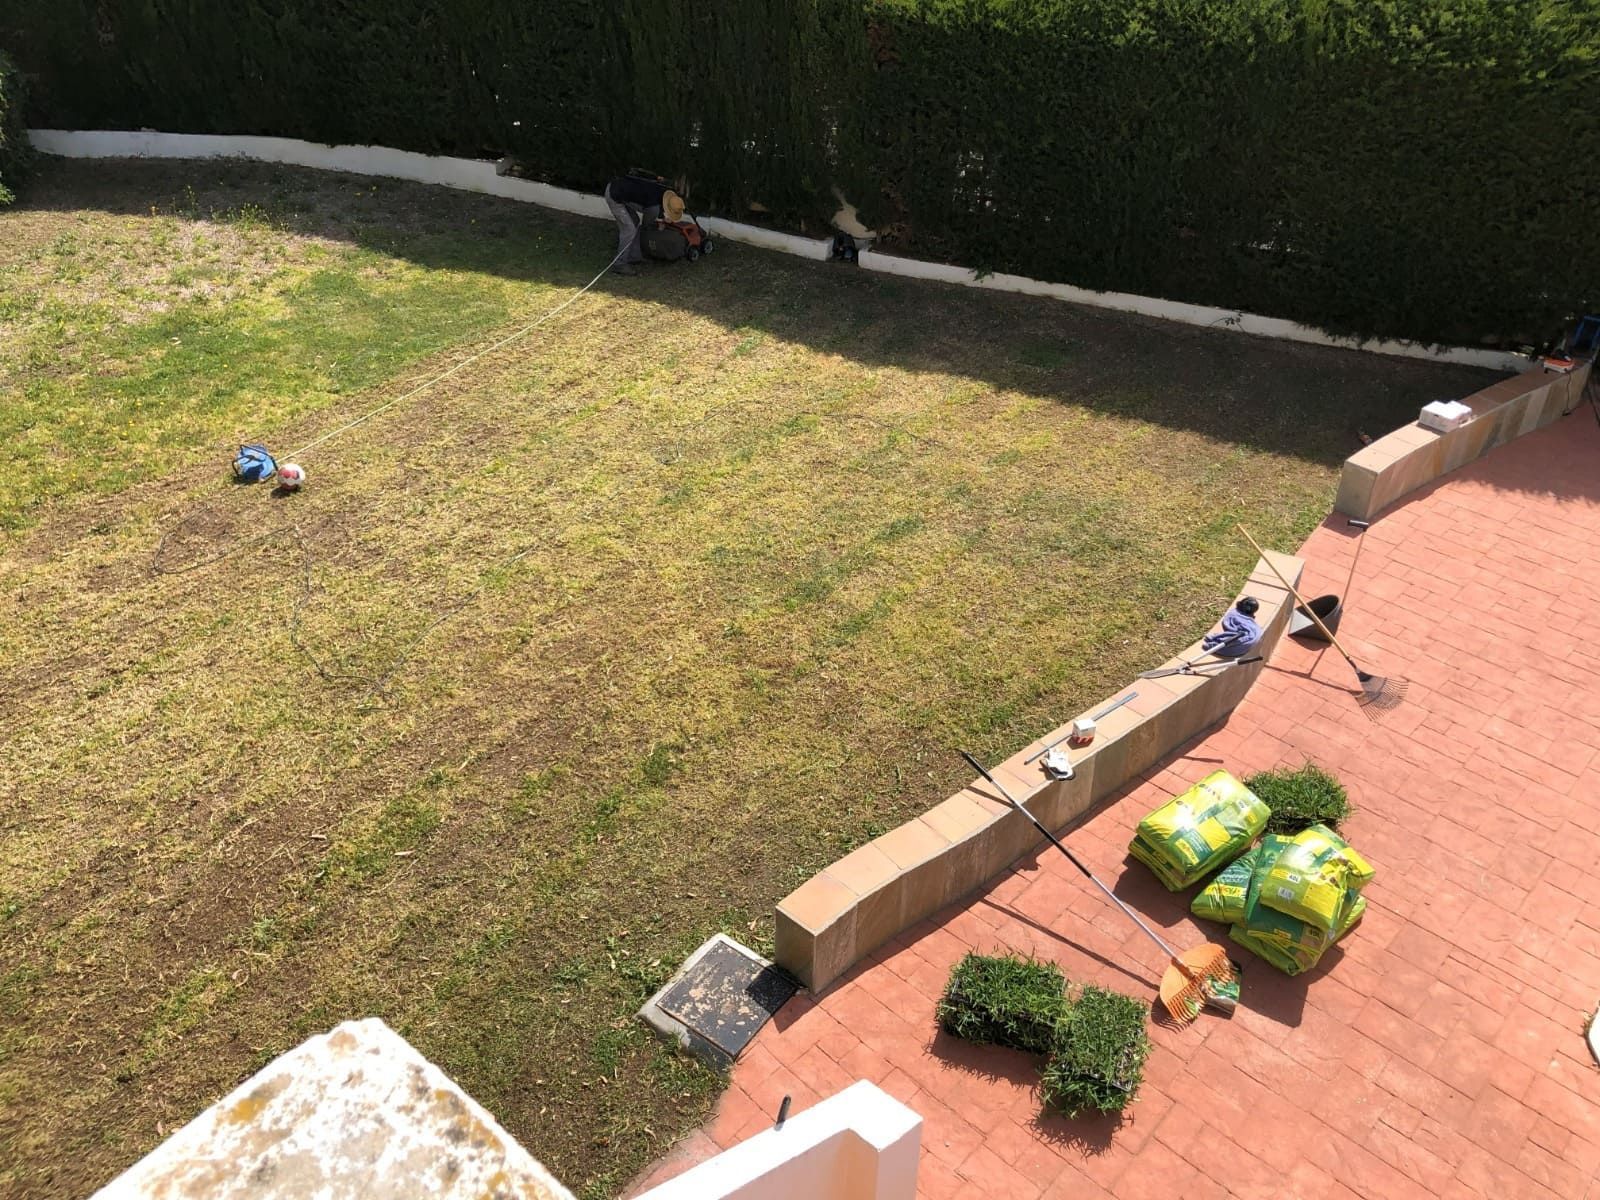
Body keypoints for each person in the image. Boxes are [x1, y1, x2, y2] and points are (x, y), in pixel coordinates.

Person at [603, 173, 685, 275]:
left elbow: (654, 206)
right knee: (629, 230)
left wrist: (661, 218)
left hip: (622, 192)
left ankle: (634, 256)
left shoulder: (661, 191)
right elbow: (646, 225)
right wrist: (658, 226)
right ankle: (619, 264)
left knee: (635, 222)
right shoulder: (653, 207)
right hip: (614, 195)